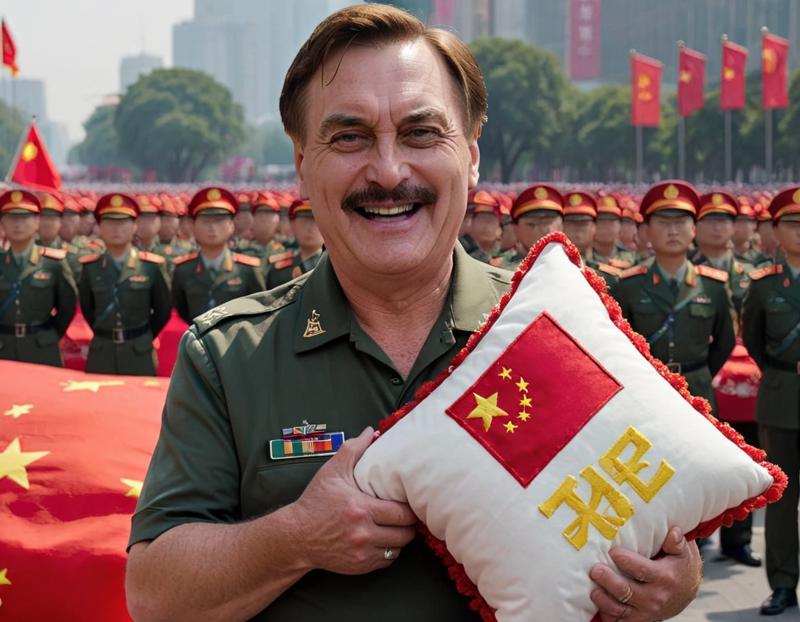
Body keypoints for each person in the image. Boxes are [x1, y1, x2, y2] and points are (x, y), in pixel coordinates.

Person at [126, 6, 701, 622]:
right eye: (349, 137)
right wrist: (297, 536)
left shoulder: (563, 330)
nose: (389, 171)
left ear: (473, 157)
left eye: (422, 133)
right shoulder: (229, 356)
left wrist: (673, 581)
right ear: (301, 164)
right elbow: (155, 596)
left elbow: (657, 532)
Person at [612, 181, 736, 412]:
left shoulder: (713, 285)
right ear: (647, 231)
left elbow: (725, 341)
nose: (672, 231)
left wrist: (699, 371)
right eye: (663, 223)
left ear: (694, 230)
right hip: (646, 391)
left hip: (697, 392)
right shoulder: (629, 285)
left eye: (680, 223)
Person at [689, 191, 760, 568]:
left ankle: (739, 540)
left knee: (744, 457)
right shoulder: (685, 271)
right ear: (696, 228)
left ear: (735, 228)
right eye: (710, 221)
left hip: (746, 382)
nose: (718, 227)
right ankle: (694, 538)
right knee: (696, 460)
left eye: (725, 221)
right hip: (701, 377)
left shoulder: (753, 272)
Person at [742, 186, 800, 616]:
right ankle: (783, 584)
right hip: (782, 398)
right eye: (793, 225)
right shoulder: (763, 286)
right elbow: (754, 343)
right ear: (776, 231)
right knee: (783, 499)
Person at [78, 192, 171, 376]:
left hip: (139, 354)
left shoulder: (151, 266)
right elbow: (88, 309)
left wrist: (142, 336)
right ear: (99, 227)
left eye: (122, 222)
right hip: (102, 353)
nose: (116, 229)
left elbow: (163, 309)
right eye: (110, 222)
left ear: (135, 226)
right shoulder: (91, 267)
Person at [0, 189, 76, 367]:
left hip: (41, 350)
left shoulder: (53, 263)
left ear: (36, 223)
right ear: (2, 223)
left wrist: (49, 335)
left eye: (24, 218)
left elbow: (68, 305)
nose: (18, 224)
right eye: (11, 218)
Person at [171, 186, 265, 324]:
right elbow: (180, 310)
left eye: (219, 221)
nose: (212, 228)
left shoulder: (248, 269)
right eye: (206, 221)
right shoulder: (183, 270)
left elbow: (259, 312)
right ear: (193, 225)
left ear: (232, 225)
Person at [562, 190, 621, 287]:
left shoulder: (608, 276)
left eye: (583, 223)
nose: (577, 229)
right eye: (571, 223)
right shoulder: (551, 267)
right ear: (562, 226)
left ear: (594, 227)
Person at [501, 184, 564, 270]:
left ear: (560, 227)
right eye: (532, 225)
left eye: (547, 223)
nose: (541, 230)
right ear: (516, 229)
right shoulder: (498, 268)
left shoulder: (577, 270)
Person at [264, 198, 325, 289]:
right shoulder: (278, 268)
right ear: (292, 224)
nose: (310, 228)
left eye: (315, 221)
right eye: (304, 221)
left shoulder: (334, 267)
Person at [592, 194, 636, 269]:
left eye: (611, 220)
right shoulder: (580, 260)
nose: (606, 225)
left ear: (620, 225)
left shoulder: (632, 260)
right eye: (601, 220)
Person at [464, 190, 503, 265]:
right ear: (471, 222)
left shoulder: (508, 258)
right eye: (482, 219)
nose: (486, 226)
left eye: (491, 221)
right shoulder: (462, 252)